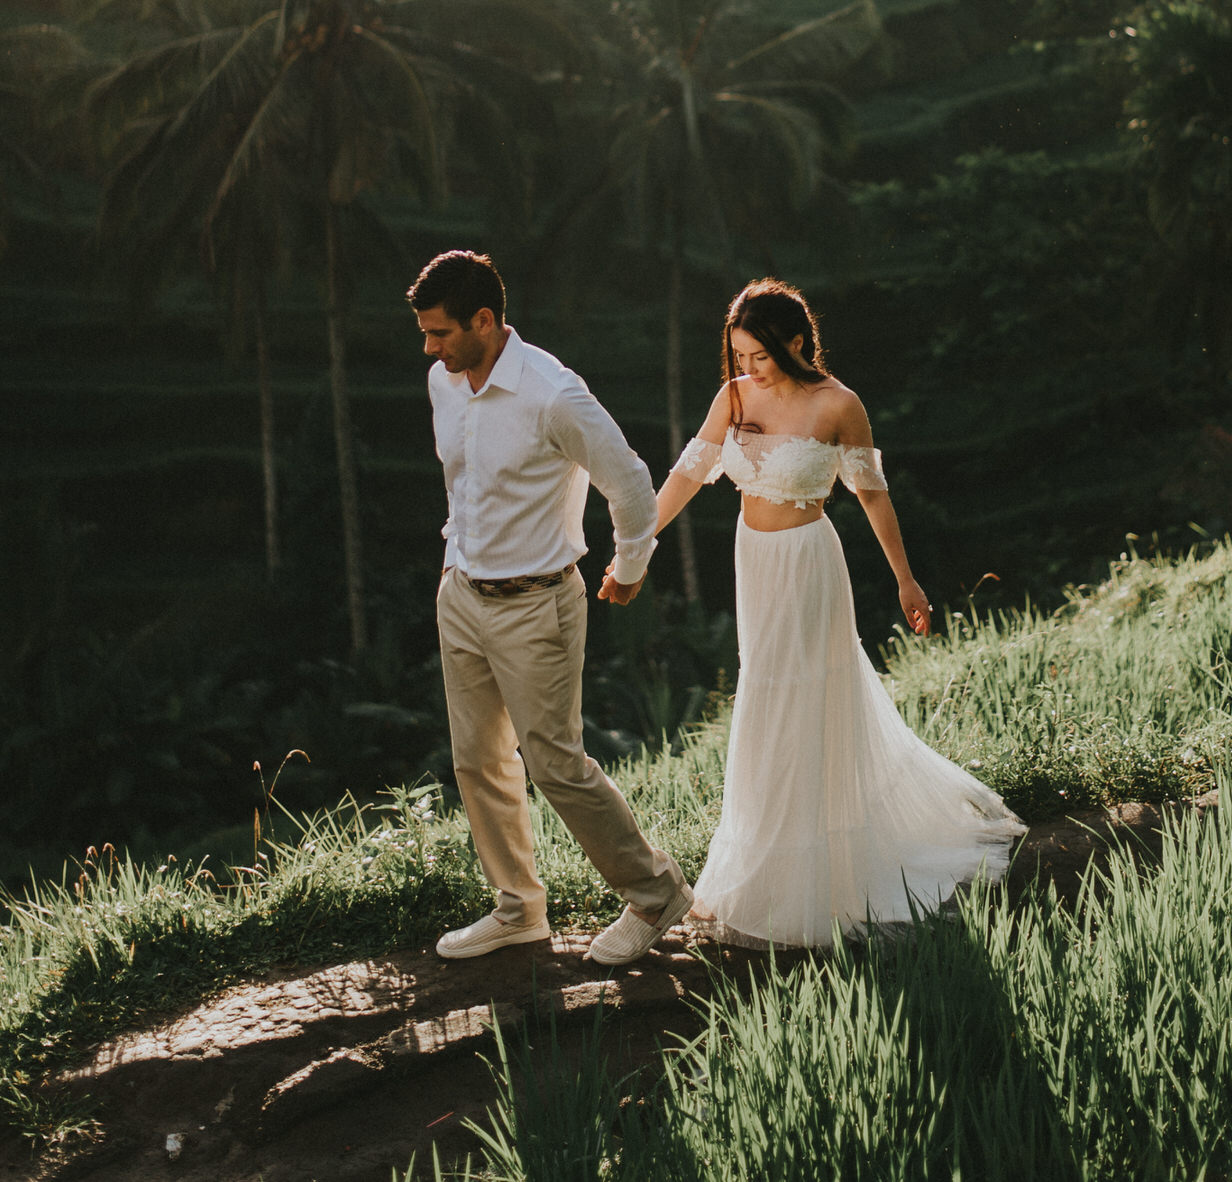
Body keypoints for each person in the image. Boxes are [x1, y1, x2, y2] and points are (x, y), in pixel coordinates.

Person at [605, 277, 1024, 948]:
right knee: (765, 697)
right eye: (738, 356)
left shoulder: (839, 405)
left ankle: (823, 870)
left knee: (806, 699)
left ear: (796, 343)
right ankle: (761, 863)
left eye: (760, 356)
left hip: (807, 561)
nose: (747, 369)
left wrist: (907, 581)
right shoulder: (734, 396)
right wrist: (638, 546)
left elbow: (872, 495)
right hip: (755, 561)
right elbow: (689, 471)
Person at [409, 250, 695, 968]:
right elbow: (465, 486)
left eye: (440, 332)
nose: (429, 348)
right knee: (477, 761)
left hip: (537, 604)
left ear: (484, 320)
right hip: (463, 596)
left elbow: (630, 483)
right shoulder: (444, 384)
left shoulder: (552, 393)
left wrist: (629, 567)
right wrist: (454, 562)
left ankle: (656, 896)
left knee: (555, 763)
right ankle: (517, 909)